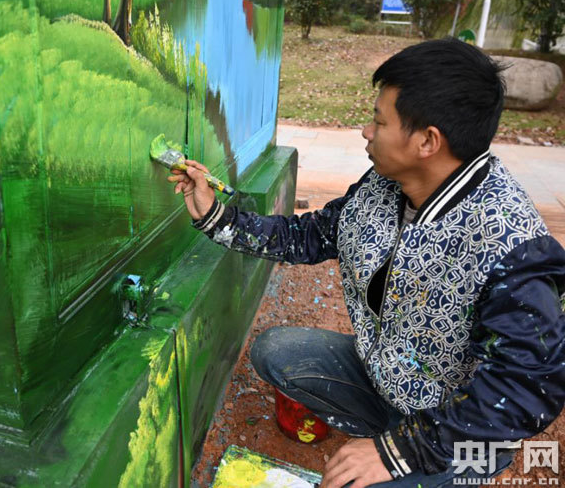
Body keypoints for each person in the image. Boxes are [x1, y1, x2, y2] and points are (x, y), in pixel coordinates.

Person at [168, 39, 565, 488]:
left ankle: (441, 469)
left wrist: (400, 451)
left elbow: (528, 387)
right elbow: (311, 235)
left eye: (379, 121)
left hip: (457, 427)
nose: (365, 131)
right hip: (388, 377)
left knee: (361, 480)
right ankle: (388, 431)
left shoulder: (511, 244)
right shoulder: (385, 184)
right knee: (276, 352)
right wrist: (216, 216)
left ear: (427, 141)